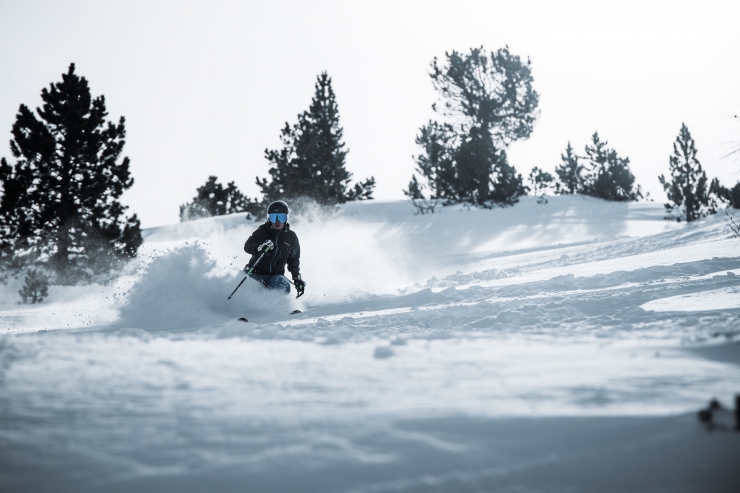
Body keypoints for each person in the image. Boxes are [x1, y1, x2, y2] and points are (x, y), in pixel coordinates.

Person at [243, 200, 306, 297]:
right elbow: (248, 245)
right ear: (269, 218)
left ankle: (277, 310)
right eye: (274, 217)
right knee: (251, 290)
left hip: (275, 276)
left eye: (281, 217)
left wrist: (297, 279)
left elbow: (293, 260)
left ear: (286, 218)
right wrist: (259, 248)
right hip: (255, 273)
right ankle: (248, 309)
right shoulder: (262, 231)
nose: (277, 221)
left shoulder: (291, 237)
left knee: (283, 285)